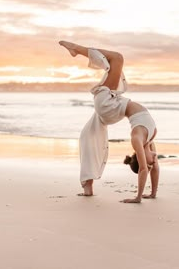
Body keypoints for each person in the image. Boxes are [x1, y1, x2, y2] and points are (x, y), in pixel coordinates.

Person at [59, 40, 159, 203]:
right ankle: (88, 184)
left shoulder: (137, 139)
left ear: (139, 157)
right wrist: (153, 193)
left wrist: (138, 198)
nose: (155, 161)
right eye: (153, 162)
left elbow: (143, 169)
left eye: (150, 162)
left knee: (117, 59)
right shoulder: (149, 141)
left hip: (108, 105)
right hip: (113, 107)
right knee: (117, 59)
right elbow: (153, 170)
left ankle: (77, 49)